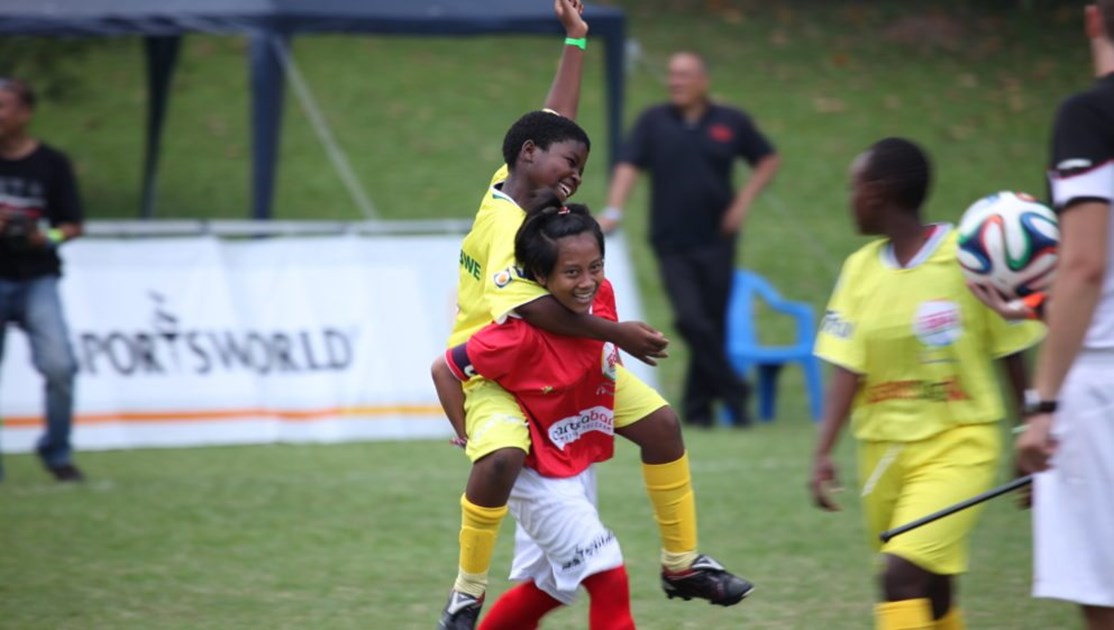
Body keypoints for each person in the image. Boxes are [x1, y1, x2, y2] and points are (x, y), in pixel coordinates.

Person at [437, 5, 752, 628]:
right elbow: (530, 310)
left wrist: (574, 41)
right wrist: (619, 333)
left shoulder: (519, 178)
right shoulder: (508, 226)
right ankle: (465, 594)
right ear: (529, 157)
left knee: (661, 426)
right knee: (501, 467)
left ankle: (683, 562)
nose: (575, 177)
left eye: (580, 168)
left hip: (563, 360)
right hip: (499, 371)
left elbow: (557, 121)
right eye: (566, 166)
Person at [808, 137, 1044, 630]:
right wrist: (823, 450)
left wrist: (1030, 431)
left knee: (900, 577)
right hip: (883, 453)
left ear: (878, 193)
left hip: (960, 446)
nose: (848, 198)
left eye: (854, 187)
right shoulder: (859, 270)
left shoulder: (969, 255)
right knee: (931, 591)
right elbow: (847, 366)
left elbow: (1012, 349)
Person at [968, 4, 1114, 627]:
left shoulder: (1090, 116)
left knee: (1105, 586)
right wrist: (1030, 303)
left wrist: (1043, 404)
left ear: (1090, 21)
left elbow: (1084, 266)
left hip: (1100, 388)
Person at [433, 203, 634, 630]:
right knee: (608, 575)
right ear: (540, 279)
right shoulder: (518, 332)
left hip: (570, 460)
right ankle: (465, 590)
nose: (587, 282)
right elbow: (445, 369)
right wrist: (468, 435)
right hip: (537, 470)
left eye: (595, 267)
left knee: (547, 589)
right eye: (572, 272)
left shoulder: (601, 301)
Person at [600, 51, 780, 428]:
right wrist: (614, 211)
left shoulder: (730, 121)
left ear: (703, 80)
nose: (675, 81)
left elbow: (767, 159)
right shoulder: (653, 122)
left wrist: (742, 203)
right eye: (671, 75)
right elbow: (628, 165)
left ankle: (699, 411)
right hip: (671, 242)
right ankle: (734, 389)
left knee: (711, 323)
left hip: (718, 239)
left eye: (684, 75)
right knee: (692, 319)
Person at [0, 77, 84, 483]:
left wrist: (43, 237)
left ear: (25, 113)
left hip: (37, 277)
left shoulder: (51, 163)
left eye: (4, 106)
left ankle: (56, 451)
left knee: (60, 366)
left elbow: (73, 225)